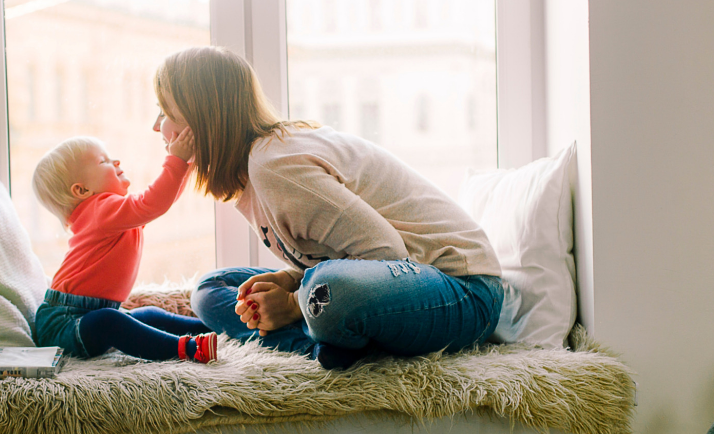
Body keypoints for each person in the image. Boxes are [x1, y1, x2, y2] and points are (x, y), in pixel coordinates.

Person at [151, 46, 503, 369]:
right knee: (212, 288)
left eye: (166, 112)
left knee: (327, 289)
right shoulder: (253, 172)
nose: (157, 126)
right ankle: (325, 344)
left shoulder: (274, 165)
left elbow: (387, 253)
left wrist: (291, 303)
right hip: (395, 283)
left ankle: (319, 335)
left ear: (203, 119)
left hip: (463, 291)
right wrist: (293, 282)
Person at [31, 132, 218, 363]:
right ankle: (187, 349)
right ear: (81, 190)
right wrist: (177, 161)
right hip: (63, 324)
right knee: (109, 322)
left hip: (88, 314)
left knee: (148, 315)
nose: (116, 161)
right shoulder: (100, 210)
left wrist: (186, 164)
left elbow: (160, 202)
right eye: (103, 161)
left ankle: (214, 327)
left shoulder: (111, 213)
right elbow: (154, 202)